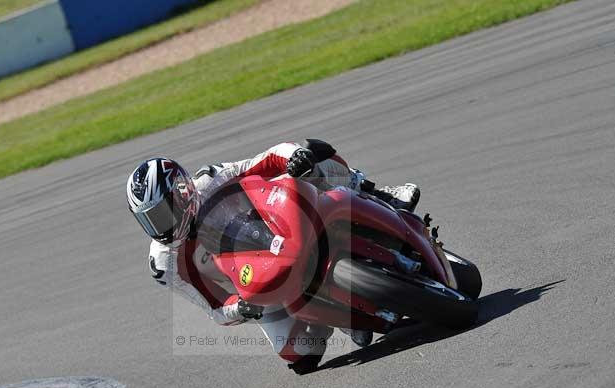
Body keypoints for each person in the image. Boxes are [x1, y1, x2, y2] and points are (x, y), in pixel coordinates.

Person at [126, 140, 420, 374]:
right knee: (301, 355)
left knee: (315, 156)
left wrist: (295, 157)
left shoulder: (209, 181)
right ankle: (342, 315)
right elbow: (212, 306)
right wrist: (239, 309)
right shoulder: (165, 264)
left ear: (182, 191)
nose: (161, 227)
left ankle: (379, 194)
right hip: (253, 287)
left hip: (273, 226)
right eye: (149, 220)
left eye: (162, 212)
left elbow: (265, 159)